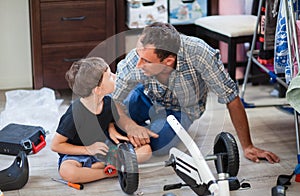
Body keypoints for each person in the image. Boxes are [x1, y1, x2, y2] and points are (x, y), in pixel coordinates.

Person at [112, 22, 280, 164]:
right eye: (138, 55)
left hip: (182, 109)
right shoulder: (137, 58)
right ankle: (133, 134)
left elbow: (231, 97)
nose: (138, 64)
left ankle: (139, 137)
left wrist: (248, 146)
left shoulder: (199, 53)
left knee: (159, 145)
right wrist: (130, 126)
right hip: (148, 96)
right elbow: (114, 100)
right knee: (124, 116)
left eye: (146, 61)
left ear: (168, 61)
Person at [51, 57, 152, 184]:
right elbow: (56, 145)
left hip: (103, 149)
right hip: (78, 152)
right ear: (98, 90)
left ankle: (102, 166)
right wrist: (88, 149)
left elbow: (107, 118)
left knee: (146, 150)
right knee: (67, 172)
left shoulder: (108, 102)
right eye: (110, 76)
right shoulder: (75, 114)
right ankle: (108, 172)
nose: (115, 76)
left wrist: (111, 128)